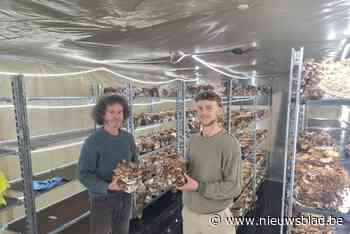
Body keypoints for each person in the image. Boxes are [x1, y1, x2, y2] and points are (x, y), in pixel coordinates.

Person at [178, 91, 242, 234]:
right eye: (200, 108)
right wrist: (177, 170)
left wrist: (198, 187)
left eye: (209, 107)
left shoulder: (229, 144)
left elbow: (234, 187)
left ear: (219, 110)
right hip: (189, 214)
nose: (204, 112)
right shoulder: (193, 140)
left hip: (216, 218)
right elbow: (189, 171)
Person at [78, 95, 138, 234]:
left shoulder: (128, 138)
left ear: (124, 114)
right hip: (102, 198)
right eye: (111, 112)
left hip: (124, 196)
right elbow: (83, 174)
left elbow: (135, 161)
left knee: (122, 230)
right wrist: (107, 186)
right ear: (103, 115)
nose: (116, 116)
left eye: (119, 112)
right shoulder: (93, 141)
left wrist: (134, 169)